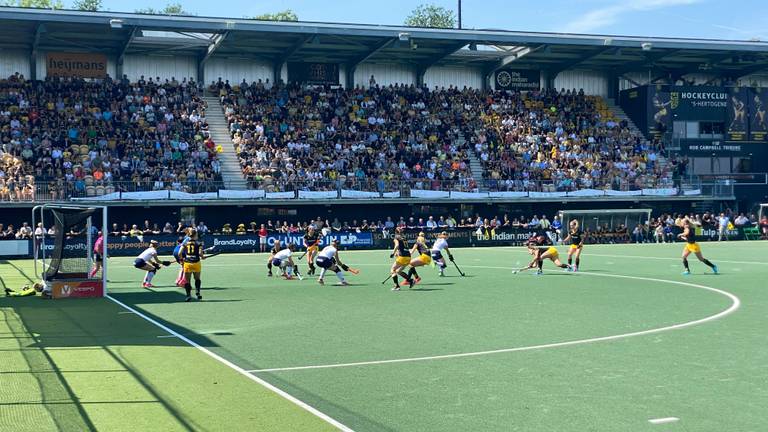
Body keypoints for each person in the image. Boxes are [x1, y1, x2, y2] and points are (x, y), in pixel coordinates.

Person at [181, 229, 206, 301]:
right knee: (197, 279)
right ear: (195, 235)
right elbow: (200, 254)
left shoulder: (185, 243)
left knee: (187, 281)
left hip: (187, 263)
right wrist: (202, 257)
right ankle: (198, 292)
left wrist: (182, 260)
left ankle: (188, 296)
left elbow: (180, 253)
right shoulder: (199, 243)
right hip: (196, 263)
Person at [389, 227, 414, 291]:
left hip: (403, 257)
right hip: (408, 257)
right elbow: (403, 247)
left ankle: (397, 286)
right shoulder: (404, 238)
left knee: (393, 270)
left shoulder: (396, 237)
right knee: (398, 271)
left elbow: (397, 245)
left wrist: (393, 253)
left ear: (395, 232)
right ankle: (410, 280)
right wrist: (397, 253)